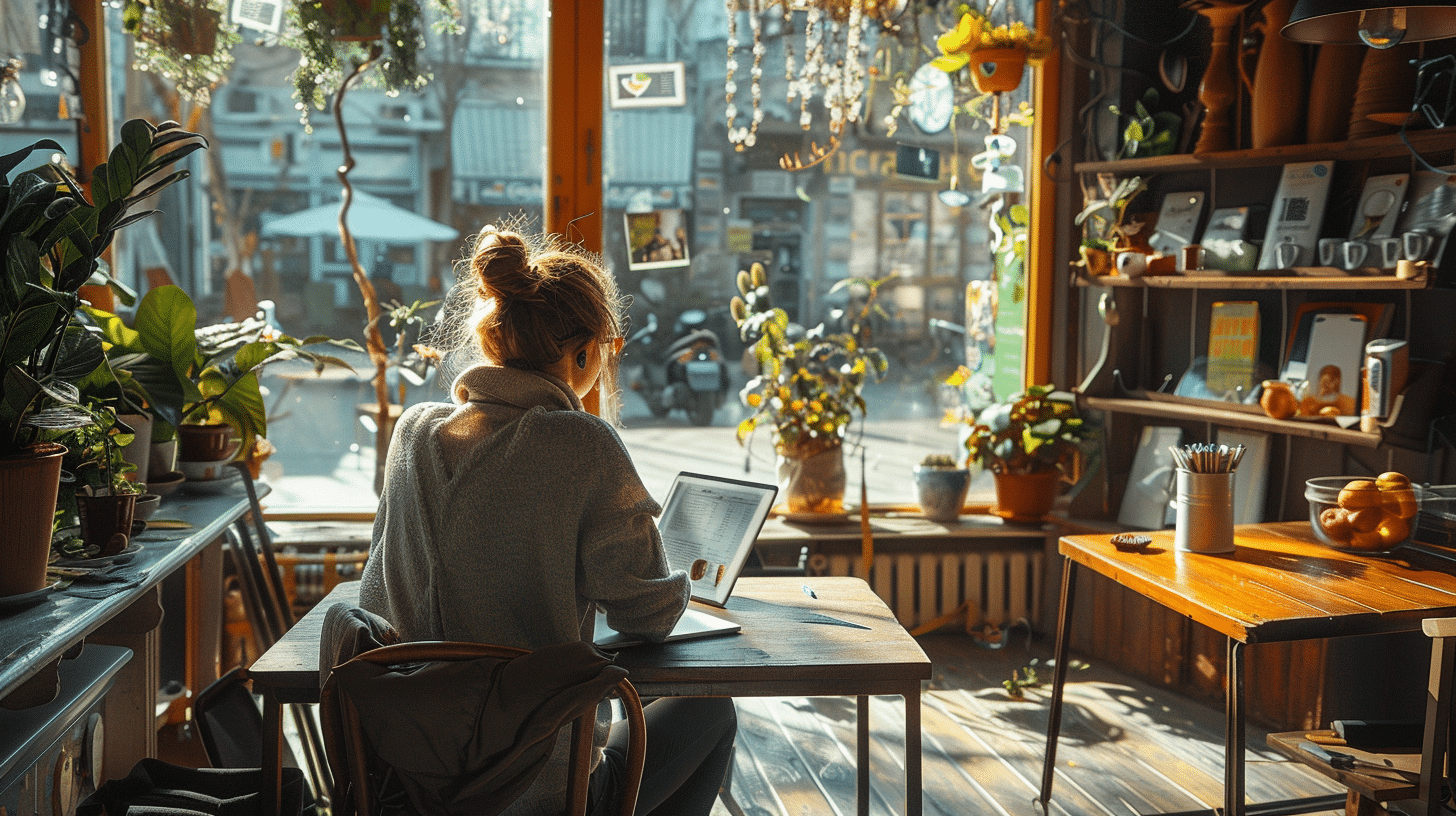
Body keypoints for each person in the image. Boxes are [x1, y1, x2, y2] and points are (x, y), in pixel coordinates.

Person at [359, 226, 737, 816]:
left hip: (408, 782)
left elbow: (375, 594)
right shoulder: (582, 442)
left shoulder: (412, 432)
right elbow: (649, 614)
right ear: (584, 350)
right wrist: (678, 574)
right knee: (711, 711)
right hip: (535, 786)